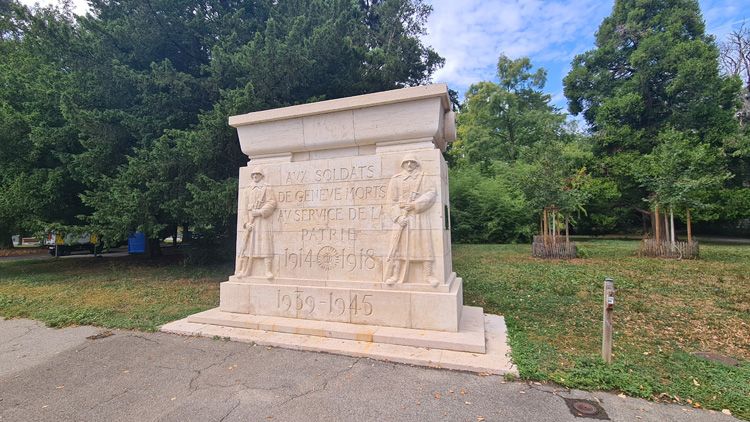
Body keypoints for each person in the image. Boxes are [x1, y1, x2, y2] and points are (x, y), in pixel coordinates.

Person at [384, 155, 440, 287]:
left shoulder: (423, 177)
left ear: (416, 164)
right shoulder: (396, 179)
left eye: (412, 162)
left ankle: (428, 275)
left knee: (425, 246)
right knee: (398, 248)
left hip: (419, 218)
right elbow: (390, 201)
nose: (409, 164)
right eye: (406, 162)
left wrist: (415, 204)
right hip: (402, 218)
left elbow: (431, 193)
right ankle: (395, 275)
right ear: (402, 164)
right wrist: (398, 217)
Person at [236, 167, 277, 279]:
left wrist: (260, 212)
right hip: (251, 221)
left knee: (265, 245)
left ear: (261, 175)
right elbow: (243, 209)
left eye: (257, 174)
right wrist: (246, 224)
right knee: (247, 246)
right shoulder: (248, 189)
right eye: (253, 174)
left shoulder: (266, 188)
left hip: (262, 220)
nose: (255, 176)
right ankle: (244, 270)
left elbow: (272, 203)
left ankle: (268, 271)